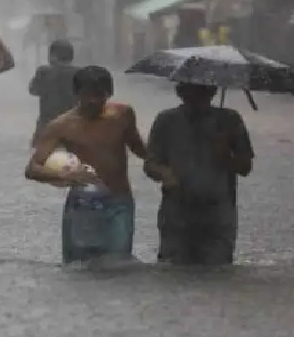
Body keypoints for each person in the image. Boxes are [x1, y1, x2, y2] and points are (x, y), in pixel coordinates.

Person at [25, 66, 150, 264]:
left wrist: (165, 163)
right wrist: (67, 177)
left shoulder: (123, 115)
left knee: (120, 267)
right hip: (82, 206)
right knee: (79, 269)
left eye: (100, 95)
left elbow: (139, 148)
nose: (93, 101)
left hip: (119, 204)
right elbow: (32, 168)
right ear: (76, 94)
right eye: (87, 95)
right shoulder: (62, 125)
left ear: (109, 93)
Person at [144, 82, 254, 266]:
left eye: (203, 92)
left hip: (218, 213)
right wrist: (166, 174)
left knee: (218, 271)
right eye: (191, 93)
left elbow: (245, 167)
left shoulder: (229, 120)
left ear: (213, 92)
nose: (197, 99)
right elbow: (150, 164)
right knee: (172, 271)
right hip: (177, 211)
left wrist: (226, 155)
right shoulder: (166, 120)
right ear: (180, 93)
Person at [28, 39, 78, 147]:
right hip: (73, 128)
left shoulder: (44, 72)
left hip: (46, 128)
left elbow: (32, 90)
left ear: (52, 56)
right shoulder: (80, 73)